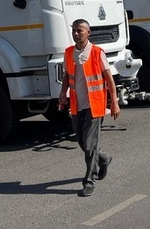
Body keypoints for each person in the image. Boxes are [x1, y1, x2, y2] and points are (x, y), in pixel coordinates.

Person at [59, 19, 120, 197]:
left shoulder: (97, 52)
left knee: (90, 145)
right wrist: (63, 93)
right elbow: (67, 75)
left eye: (80, 30)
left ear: (88, 33)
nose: (76, 33)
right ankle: (104, 159)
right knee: (82, 142)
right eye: (74, 30)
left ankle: (89, 181)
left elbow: (109, 79)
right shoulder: (69, 52)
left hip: (94, 105)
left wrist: (114, 102)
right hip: (76, 105)